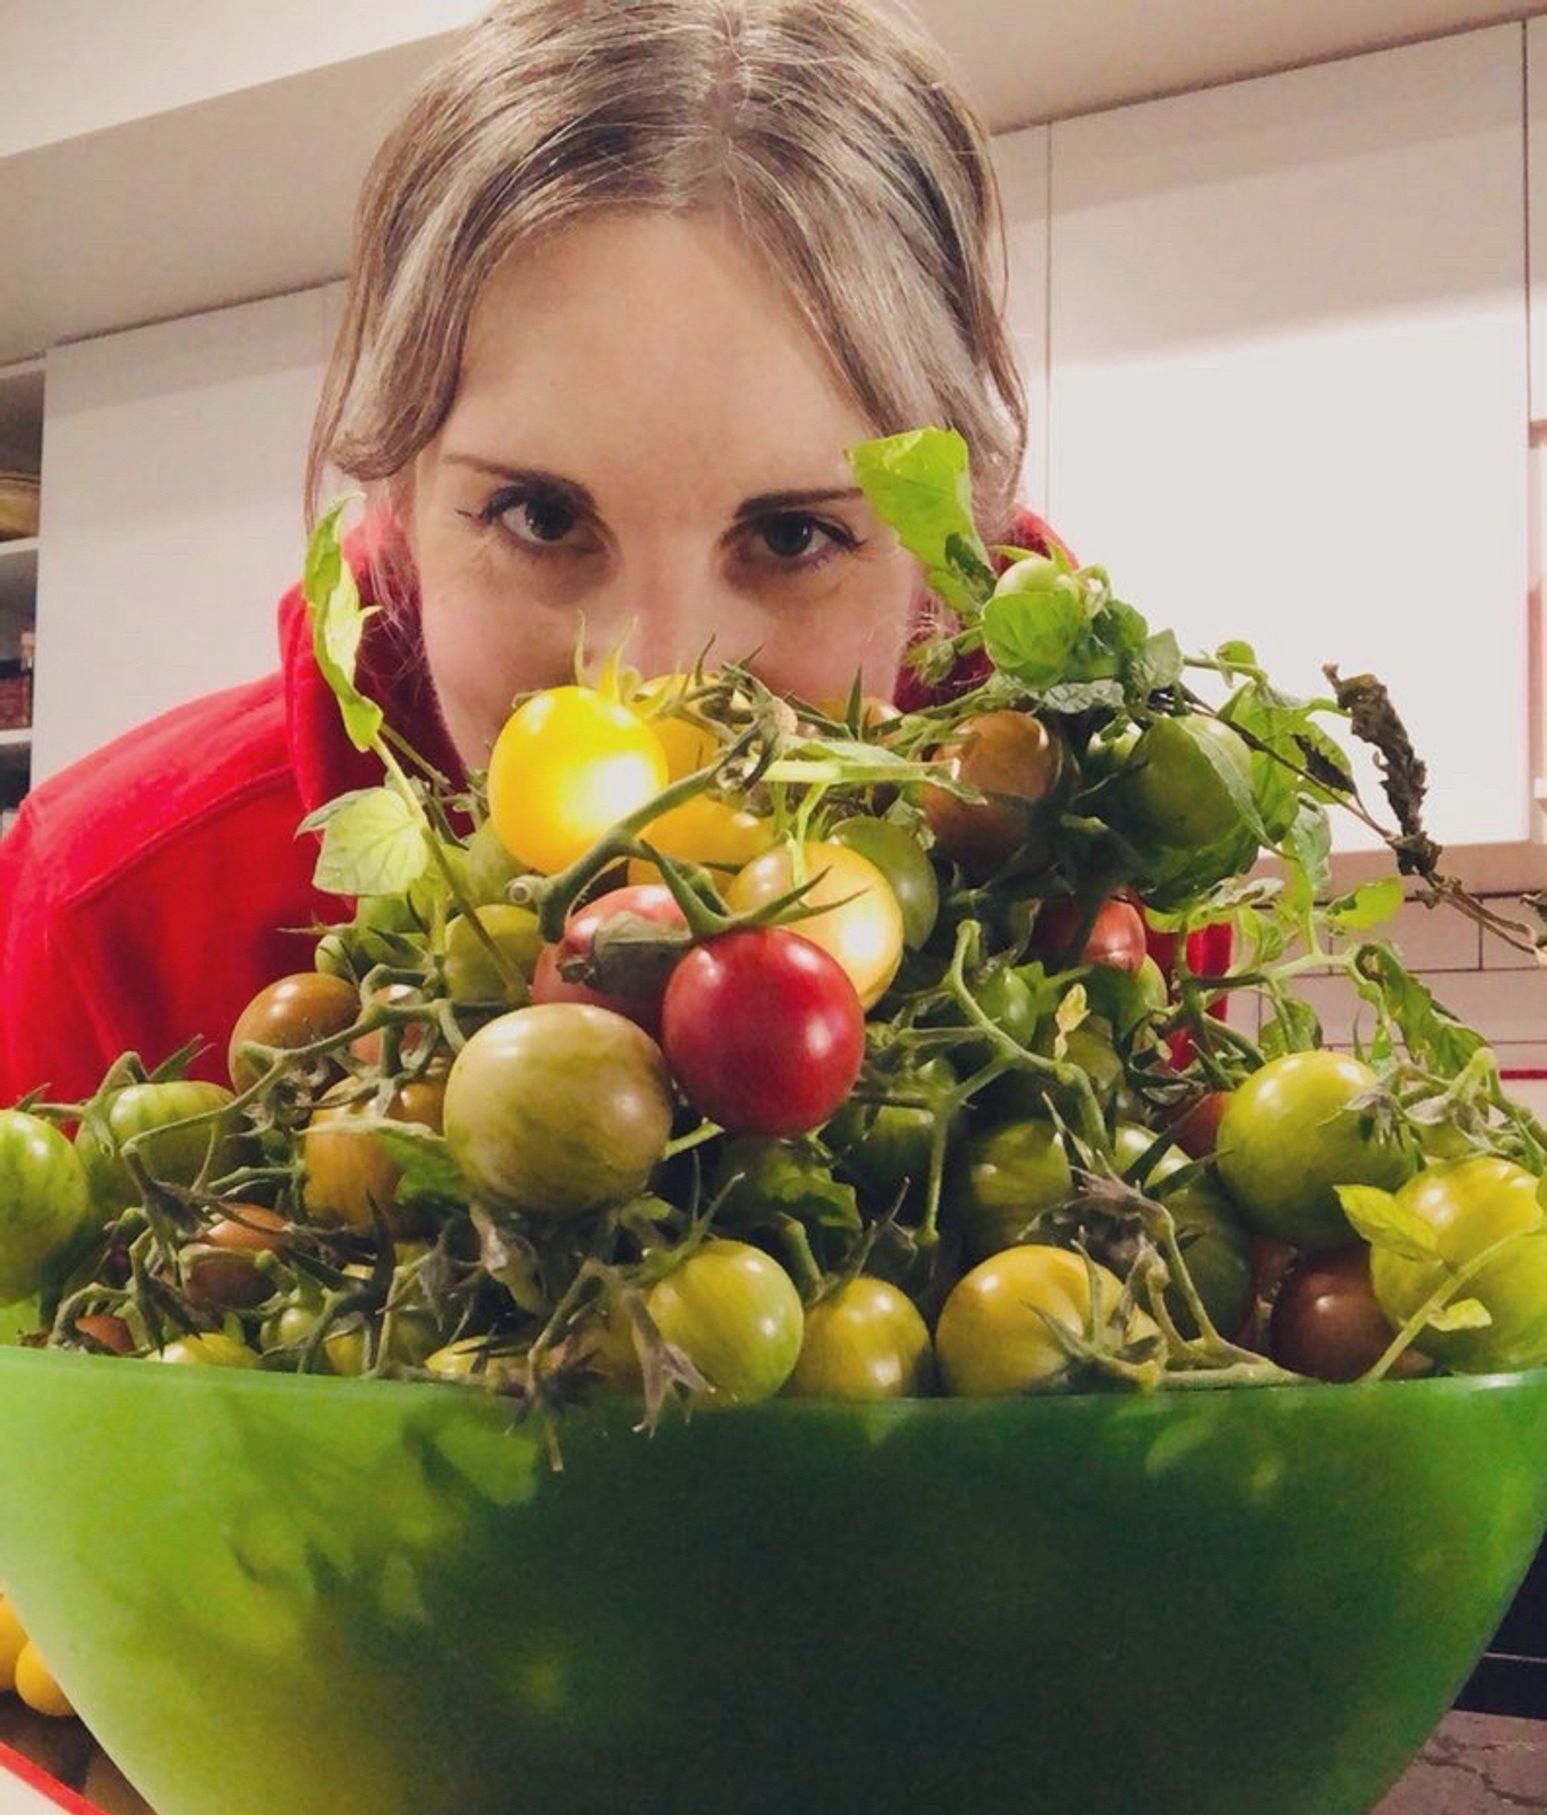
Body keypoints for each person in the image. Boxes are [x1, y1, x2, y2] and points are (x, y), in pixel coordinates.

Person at [0, 0, 1110, 1106]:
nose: (656, 681)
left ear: (947, 548)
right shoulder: (113, 911)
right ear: (397, 493)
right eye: (540, 518)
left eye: (789, 536)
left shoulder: (1097, 865)